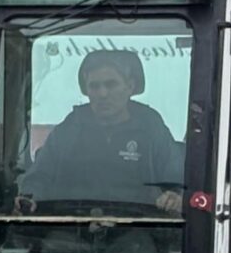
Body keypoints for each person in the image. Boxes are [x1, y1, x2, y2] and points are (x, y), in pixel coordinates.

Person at [21, 46, 184, 212]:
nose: (102, 94)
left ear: (130, 86)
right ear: (87, 91)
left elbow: (175, 177)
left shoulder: (150, 127)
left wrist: (174, 196)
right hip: (72, 226)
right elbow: (40, 176)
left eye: (111, 84)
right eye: (94, 86)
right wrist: (29, 197)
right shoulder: (70, 128)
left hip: (136, 226)